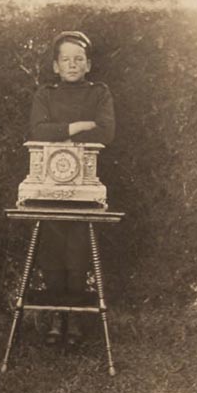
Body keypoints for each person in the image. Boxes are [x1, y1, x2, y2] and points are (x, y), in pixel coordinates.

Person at [28, 30, 116, 345]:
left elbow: (105, 133)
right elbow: (37, 130)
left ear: (88, 64)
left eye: (78, 59)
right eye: (66, 59)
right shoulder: (45, 94)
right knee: (51, 253)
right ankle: (56, 314)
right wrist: (78, 126)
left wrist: (60, 135)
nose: (72, 64)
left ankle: (76, 317)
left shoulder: (99, 93)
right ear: (56, 66)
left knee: (78, 253)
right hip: (49, 186)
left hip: (84, 187)